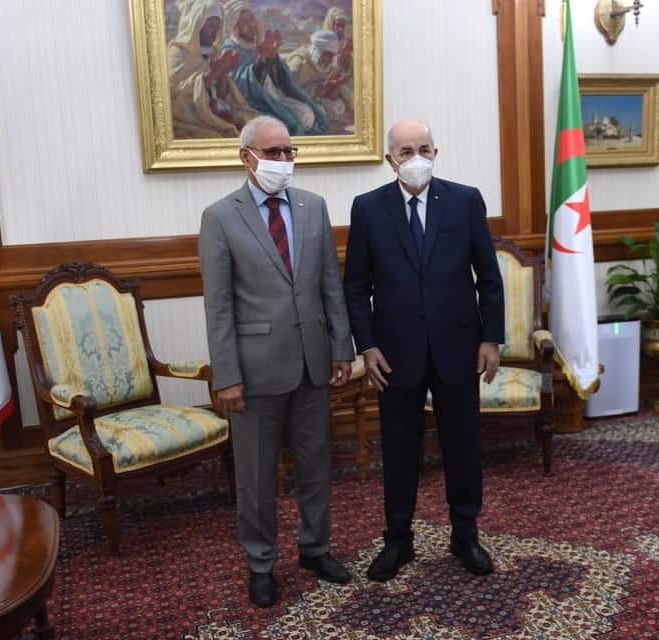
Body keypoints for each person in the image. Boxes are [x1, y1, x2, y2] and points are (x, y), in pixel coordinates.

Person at [199, 115, 354, 608]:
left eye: (289, 151)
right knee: (257, 476)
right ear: (246, 157)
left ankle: (316, 548)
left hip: (313, 362)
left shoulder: (313, 206)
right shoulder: (220, 217)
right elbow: (219, 306)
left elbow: (330, 284)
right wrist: (227, 376)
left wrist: (342, 348)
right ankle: (261, 563)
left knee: (316, 466)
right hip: (255, 371)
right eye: (273, 152)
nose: (284, 160)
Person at [343, 119, 504, 582]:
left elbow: (488, 278)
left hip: (459, 346)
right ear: (390, 159)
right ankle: (398, 540)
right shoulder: (368, 208)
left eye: (424, 149)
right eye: (406, 151)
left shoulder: (465, 200)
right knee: (398, 450)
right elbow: (356, 286)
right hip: (394, 353)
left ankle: (465, 535)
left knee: (463, 446)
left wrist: (490, 338)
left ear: (436, 152)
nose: (416, 158)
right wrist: (367, 345)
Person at [221, 0, 328, 135]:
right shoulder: (230, 48)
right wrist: (261, 58)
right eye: (244, 22)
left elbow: (278, 81)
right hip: (250, 103)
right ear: (235, 26)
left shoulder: (259, 42)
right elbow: (243, 87)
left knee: (308, 114)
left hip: (272, 97)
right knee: (288, 123)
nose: (251, 24)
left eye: (251, 18)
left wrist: (272, 56)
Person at [167, 0, 258, 138]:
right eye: (210, 26)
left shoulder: (213, 52)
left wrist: (223, 73)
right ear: (197, 24)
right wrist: (213, 73)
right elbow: (176, 98)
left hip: (214, 108)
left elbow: (220, 94)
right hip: (193, 116)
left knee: (254, 122)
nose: (214, 32)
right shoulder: (179, 52)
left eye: (217, 27)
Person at [286, 30, 352, 121]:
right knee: (309, 114)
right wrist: (325, 87)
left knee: (338, 105)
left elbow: (328, 92)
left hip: (313, 98)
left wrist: (335, 84)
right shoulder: (298, 63)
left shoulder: (324, 64)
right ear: (317, 51)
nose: (330, 59)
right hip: (295, 101)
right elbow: (290, 93)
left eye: (332, 56)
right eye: (328, 55)